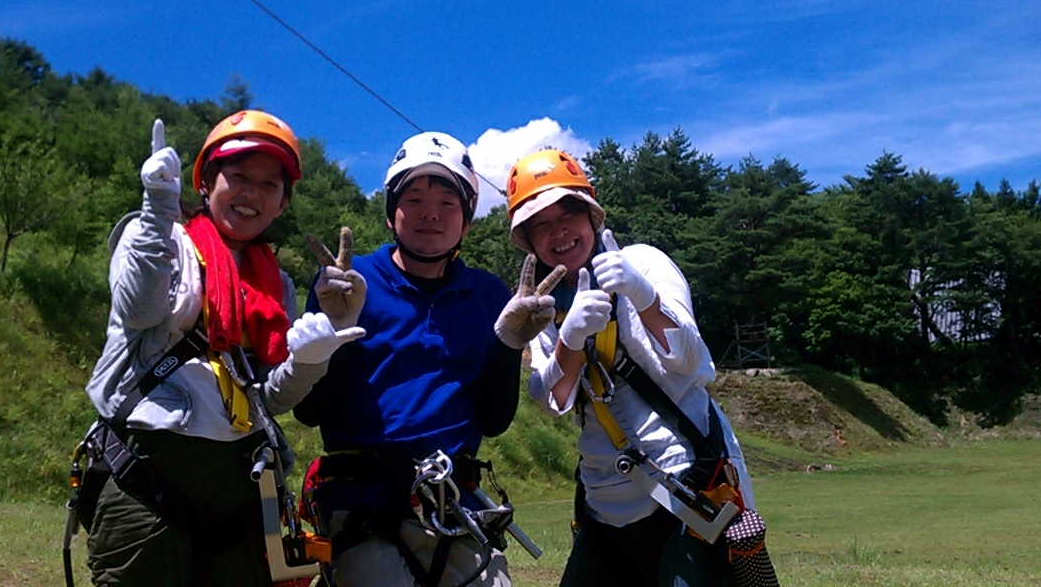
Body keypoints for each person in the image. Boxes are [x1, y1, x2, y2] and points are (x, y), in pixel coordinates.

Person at [84, 111, 364, 586]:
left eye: (269, 184)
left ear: (282, 203)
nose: (251, 193)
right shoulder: (158, 239)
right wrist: (157, 209)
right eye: (237, 176)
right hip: (146, 465)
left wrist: (311, 362)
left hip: (240, 482)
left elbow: (268, 398)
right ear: (206, 182)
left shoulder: (276, 285)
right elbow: (137, 309)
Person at [508, 149, 760, 587]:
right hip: (603, 495)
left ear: (592, 217)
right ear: (530, 242)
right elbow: (553, 400)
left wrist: (642, 295)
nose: (559, 232)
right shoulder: (542, 307)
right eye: (541, 225)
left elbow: (689, 357)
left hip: (687, 480)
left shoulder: (643, 262)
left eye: (568, 214)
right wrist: (568, 340)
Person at [294, 131, 527, 587]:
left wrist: (509, 346)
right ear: (390, 213)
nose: (431, 214)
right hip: (365, 501)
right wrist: (337, 330)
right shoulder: (347, 282)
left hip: (456, 500)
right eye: (414, 198)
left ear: (467, 220)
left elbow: (495, 420)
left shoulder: (488, 295)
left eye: (447, 203)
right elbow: (309, 411)